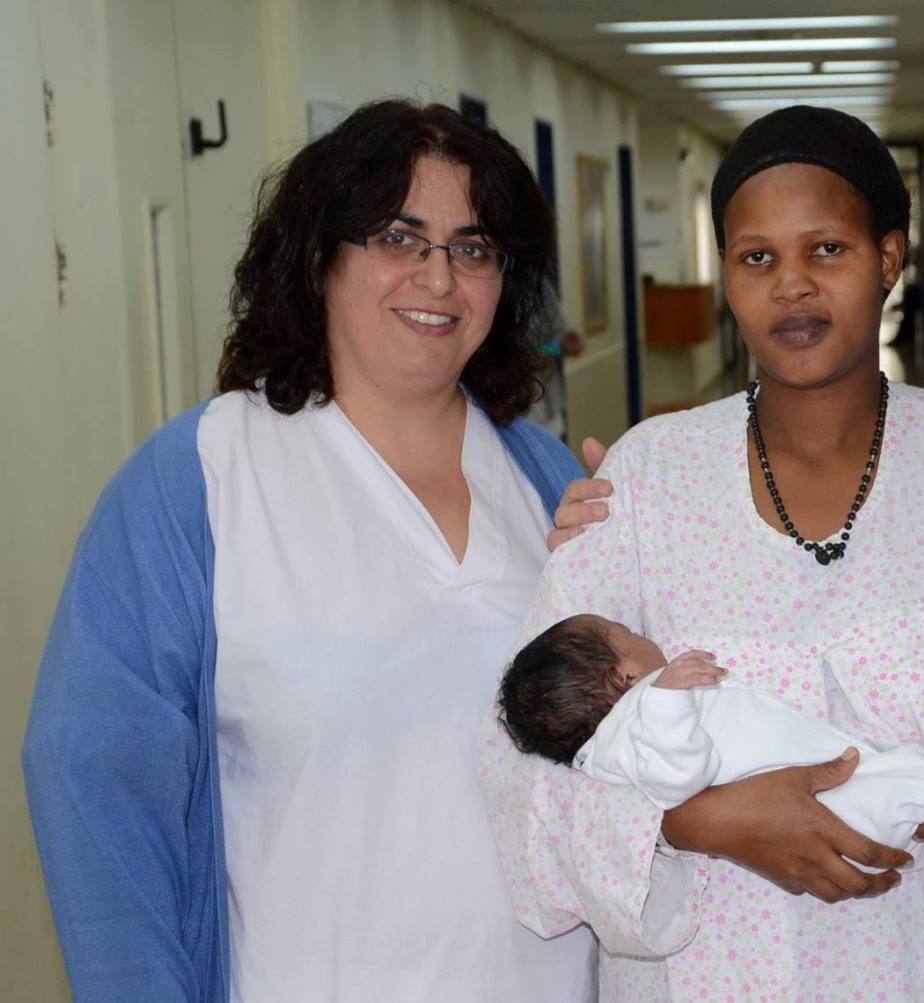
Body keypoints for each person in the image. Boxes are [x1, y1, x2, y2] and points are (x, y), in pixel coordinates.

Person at [475, 104, 924, 1001]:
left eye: (827, 250)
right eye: (757, 258)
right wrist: (700, 820)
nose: (792, 287)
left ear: (890, 258)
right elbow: (523, 758)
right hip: (713, 974)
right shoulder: (650, 475)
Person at [22, 100, 594, 1002]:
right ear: (319, 257)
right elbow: (94, 780)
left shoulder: (542, 475)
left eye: (472, 248)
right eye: (399, 238)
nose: (438, 278)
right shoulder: (203, 477)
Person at [499, 614, 924, 921]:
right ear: (625, 677)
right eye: (630, 634)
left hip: (824, 789)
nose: (646, 636)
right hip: (822, 805)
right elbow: (674, 777)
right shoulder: (644, 717)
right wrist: (669, 698)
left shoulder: (624, 729)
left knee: (923, 790)